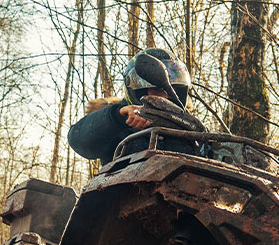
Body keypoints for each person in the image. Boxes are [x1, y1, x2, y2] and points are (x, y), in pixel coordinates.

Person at [67, 47, 198, 166]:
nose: (164, 95)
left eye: (170, 89)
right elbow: (79, 139)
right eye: (156, 89)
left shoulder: (191, 129)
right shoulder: (119, 122)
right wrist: (117, 116)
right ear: (140, 91)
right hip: (125, 189)